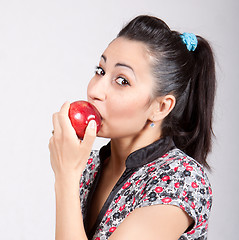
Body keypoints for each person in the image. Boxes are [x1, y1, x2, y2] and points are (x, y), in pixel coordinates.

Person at [49, 15, 216, 240]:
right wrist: (71, 173)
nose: (95, 91)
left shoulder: (180, 180)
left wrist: (66, 176)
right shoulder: (88, 166)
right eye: (100, 71)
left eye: (122, 81)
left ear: (161, 107)